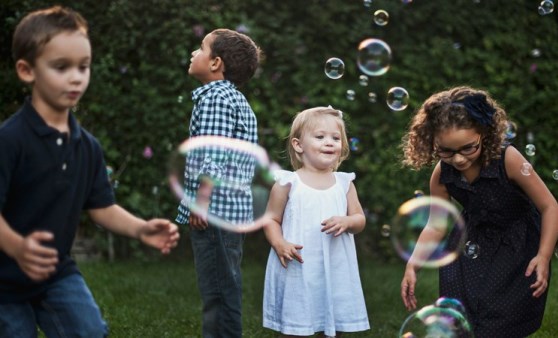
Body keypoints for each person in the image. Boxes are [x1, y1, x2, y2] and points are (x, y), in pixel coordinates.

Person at [0, 6, 180, 337]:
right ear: (26, 71)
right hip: (4, 281)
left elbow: (101, 207)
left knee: (89, 332)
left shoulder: (87, 147)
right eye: (61, 67)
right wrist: (16, 247)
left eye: (83, 67)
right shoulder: (10, 140)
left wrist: (141, 229)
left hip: (56, 273)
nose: (76, 77)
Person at [399, 86, 558, 338]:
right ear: (431, 142)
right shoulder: (442, 174)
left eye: (468, 148)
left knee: (500, 312)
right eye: (446, 151)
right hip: (471, 241)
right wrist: (413, 265)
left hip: (515, 241)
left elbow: (549, 206)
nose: (459, 159)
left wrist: (544, 256)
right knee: (461, 309)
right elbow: (436, 225)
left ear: (484, 133)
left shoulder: (509, 159)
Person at [175, 28, 262, 337]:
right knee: (224, 286)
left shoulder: (215, 98)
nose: (193, 54)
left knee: (218, 292)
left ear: (215, 63)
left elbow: (213, 153)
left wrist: (202, 200)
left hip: (215, 212)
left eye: (200, 48)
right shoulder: (233, 99)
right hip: (229, 212)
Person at [262, 106, 370, 337]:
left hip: (335, 264)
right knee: (297, 320)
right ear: (298, 145)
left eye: (335, 138)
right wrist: (279, 243)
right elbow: (271, 218)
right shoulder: (288, 182)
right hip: (298, 264)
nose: (329, 142)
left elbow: (359, 219)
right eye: (320, 137)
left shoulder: (344, 183)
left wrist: (347, 221)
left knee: (333, 317)